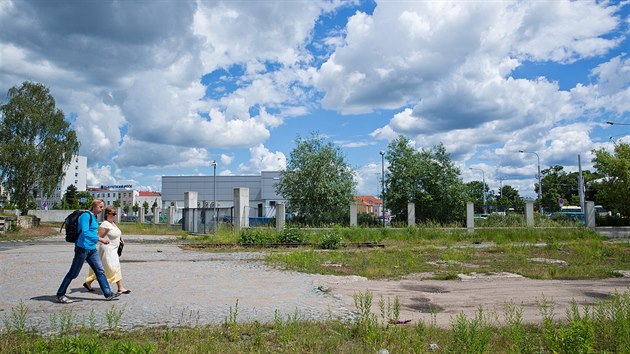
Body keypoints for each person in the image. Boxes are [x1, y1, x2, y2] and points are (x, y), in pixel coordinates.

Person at [56, 199, 120, 303]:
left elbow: (92, 232)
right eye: (100, 207)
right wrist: (100, 239)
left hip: (91, 249)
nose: (102, 209)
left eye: (102, 207)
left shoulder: (94, 217)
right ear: (94, 206)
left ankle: (108, 294)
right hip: (82, 248)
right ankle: (60, 294)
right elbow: (84, 232)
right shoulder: (85, 216)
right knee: (73, 273)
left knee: (100, 271)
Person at [83, 206, 130, 294]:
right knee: (114, 267)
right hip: (107, 249)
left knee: (102, 268)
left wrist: (120, 239)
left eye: (115, 214)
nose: (114, 216)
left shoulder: (113, 223)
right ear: (107, 214)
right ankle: (120, 287)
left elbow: (116, 234)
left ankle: (88, 283)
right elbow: (98, 236)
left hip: (114, 249)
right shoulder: (105, 224)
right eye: (113, 214)